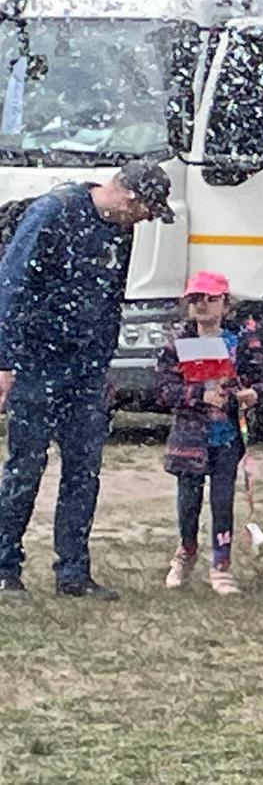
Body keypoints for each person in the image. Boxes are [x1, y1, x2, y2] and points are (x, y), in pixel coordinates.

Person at [0, 160, 174, 601]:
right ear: (129, 197)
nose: (150, 218)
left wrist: (103, 368)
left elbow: (111, 300)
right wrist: (4, 363)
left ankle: (73, 574)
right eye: (149, 208)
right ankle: (5, 569)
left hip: (86, 370)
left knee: (84, 470)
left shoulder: (122, 229)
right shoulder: (53, 213)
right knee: (25, 467)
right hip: (37, 362)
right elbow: (12, 287)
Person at [157, 271, 263, 596]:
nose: (202, 305)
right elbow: (163, 389)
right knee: (188, 503)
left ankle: (221, 565)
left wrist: (252, 394)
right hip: (189, 438)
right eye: (195, 299)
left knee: (222, 502)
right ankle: (185, 553)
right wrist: (197, 396)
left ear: (225, 303)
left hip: (227, 437)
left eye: (210, 298)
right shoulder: (177, 342)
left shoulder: (245, 341)